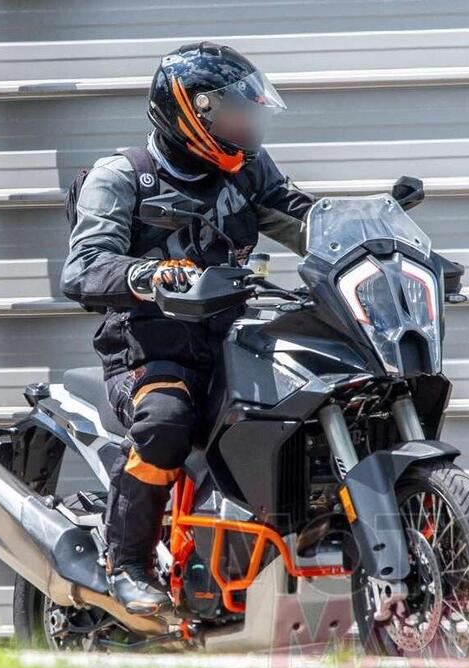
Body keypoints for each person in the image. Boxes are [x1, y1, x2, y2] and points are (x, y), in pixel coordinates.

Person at [60, 42, 314, 615]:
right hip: (148, 347)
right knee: (166, 421)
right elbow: (83, 268)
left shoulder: (250, 171)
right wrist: (147, 274)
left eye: (247, 111)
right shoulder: (123, 177)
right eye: (232, 112)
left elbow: (307, 222)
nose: (244, 124)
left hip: (233, 341)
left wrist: (374, 238)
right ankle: (127, 564)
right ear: (189, 112)